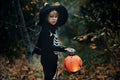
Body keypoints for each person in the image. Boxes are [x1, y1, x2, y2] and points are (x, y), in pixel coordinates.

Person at [32, 2, 76, 80]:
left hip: (53, 57)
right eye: (51, 16)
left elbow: (54, 43)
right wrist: (65, 49)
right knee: (49, 77)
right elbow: (48, 46)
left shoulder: (52, 28)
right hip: (47, 58)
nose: (54, 18)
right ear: (46, 18)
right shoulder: (46, 30)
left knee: (53, 77)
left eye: (56, 16)